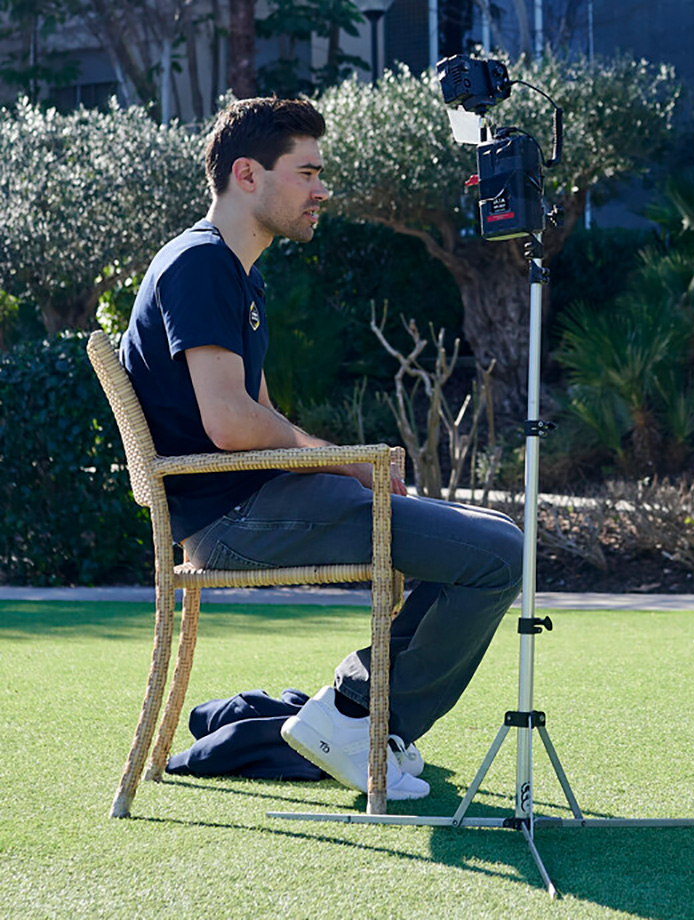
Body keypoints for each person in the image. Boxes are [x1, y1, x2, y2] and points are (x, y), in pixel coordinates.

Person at [119, 97, 523, 801]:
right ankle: (359, 721)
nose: (322, 190)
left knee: (485, 542)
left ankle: (359, 713)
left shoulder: (236, 273)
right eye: (307, 172)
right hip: (234, 521)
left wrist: (342, 462)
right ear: (248, 174)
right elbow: (231, 424)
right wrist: (342, 460)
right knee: (500, 556)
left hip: (260, 502)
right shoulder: (200, 266)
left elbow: (260, 413)